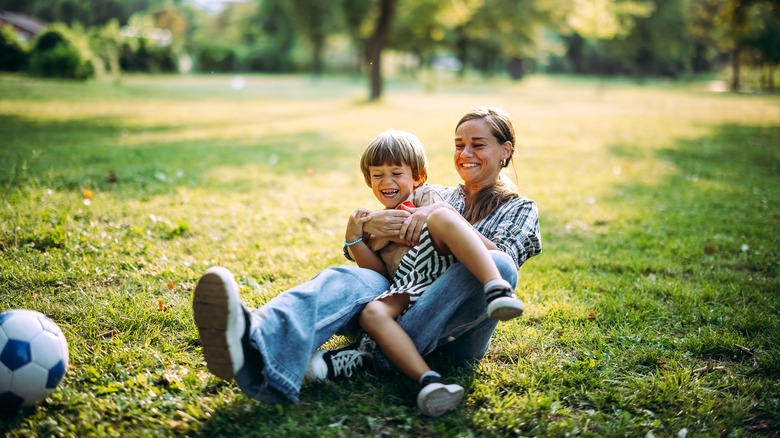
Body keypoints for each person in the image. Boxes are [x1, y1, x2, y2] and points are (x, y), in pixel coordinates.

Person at [192, 106, 541, 408]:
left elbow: (505, 258)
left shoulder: (518, 208)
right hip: (401, 298)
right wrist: (361, 232)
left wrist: (439, 219)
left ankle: (370, 356)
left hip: (456, 329)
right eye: (459, 145)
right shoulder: (434, 193)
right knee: (347, 278)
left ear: (505, 151)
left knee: (497, 266)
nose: (465, 153)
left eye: (477, 145)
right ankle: (254, 339)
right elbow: (382, 249)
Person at [306, 129, 525, 416]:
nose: (387, 182)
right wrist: (356, 239)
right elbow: (379, 273)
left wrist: (387, 226)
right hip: (408, 284)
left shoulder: (427, 195)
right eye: (377, 175)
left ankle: (496, 287)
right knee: (371, 312)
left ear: (417, 176)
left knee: (443, 215)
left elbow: (445, 222)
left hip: (439, 275)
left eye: (396, 173)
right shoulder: (378, 224)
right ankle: (428, 381)